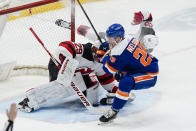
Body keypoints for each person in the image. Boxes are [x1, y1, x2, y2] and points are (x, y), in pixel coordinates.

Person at [18, 41, 120, 112]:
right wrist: (66, 62)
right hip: (58, 66)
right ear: (94, 49)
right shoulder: (83, 50)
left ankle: (76, 87)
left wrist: (114, 90)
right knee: (64, 86)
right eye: (99, 55)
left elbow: (105, 77)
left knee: (92, 97)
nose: (99, 59)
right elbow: (64, 46)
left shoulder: (101, 62)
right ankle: (31, 100)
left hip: (77, 72)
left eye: (103, 57)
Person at [98, 23, 159, 123]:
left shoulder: (119, 52)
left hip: (149, 75)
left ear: (118, 38)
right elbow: (126, 57)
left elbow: (108, 69)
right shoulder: (130, 38)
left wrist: (103, 58)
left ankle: (114, 111)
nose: (109, 41)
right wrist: (108, 50)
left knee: (125, 82)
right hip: (141, 68)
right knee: (120, 75)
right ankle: (124, 95)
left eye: (110, 38)